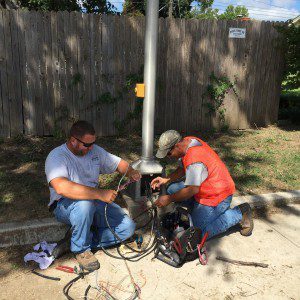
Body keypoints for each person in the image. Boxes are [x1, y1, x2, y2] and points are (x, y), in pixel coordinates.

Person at [45, 120, 141, 271]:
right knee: (85, 204)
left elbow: (119, 164)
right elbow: (61, 187)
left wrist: (131, 172)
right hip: (64, 204)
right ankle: (81, 250)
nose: (91, 148)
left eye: (93, 143)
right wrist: (99, 193)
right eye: (87, 145)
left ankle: (77, 240)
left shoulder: (95, 151)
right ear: (73, 140)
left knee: (127, 228)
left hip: (93, 201)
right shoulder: (57, 156)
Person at [150, 130, 253, 240]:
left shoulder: (194, 157)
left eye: (169, 153)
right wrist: (166, 179)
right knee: (171, 189)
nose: (169, 157)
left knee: (196, 235)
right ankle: (197, 210)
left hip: (217, 196)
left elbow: (192, 190)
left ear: (177, 146)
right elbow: (182, 168)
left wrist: (169, 199)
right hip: (204, 189)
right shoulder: (189, 141)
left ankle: (240, 213)